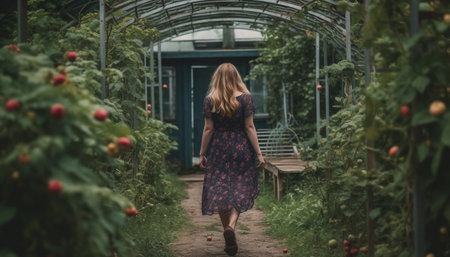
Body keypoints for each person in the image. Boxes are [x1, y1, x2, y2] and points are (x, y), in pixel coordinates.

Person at [199, 63, 265, 256]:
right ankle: (232, 226)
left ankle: (226, 230)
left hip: (218, 148)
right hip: (241, 147)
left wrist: (202, 153)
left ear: (216, 78)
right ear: (236, 77)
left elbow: (208, 129)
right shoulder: (245, 98)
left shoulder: (210, 100)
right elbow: (250, 127)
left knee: (220, 188)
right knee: (241, 187)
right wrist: (259, 153)